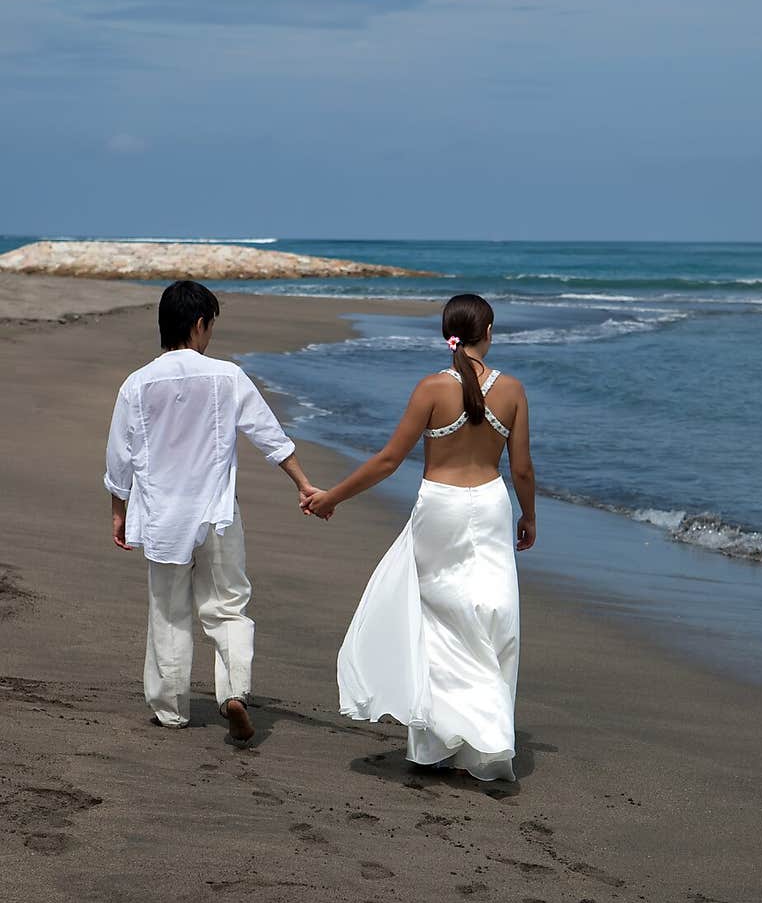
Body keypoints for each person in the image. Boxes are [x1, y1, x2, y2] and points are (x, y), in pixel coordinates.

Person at [305, 293, 536, 782]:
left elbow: (389, 460)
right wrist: (529, 515)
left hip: (441, 508)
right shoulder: (513, 391)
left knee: (441, 619)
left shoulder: (431, 388)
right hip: (493, 506)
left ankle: (435, 743)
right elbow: (522, 470)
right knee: (495, 616)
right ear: (489, 332)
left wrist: (333, 497)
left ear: (446, 333)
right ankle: (486, 744)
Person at [104, 279, 318, 742]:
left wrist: (119, 510)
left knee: (168, 612)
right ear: (199, 325)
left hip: (162, 517)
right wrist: (303, 484)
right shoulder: (227, 376)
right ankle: (234, 692)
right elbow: (269, 435)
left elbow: (119, 457)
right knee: (227, 608)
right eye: (210, 326)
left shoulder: (137, 385)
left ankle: (170, 710)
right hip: (217, 512)